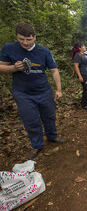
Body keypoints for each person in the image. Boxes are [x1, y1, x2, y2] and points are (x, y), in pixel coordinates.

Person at [0, 22, 64, 158]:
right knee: (31, 120)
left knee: (50, 116)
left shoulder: (44, 51)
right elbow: (1, 67)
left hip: (43, 91)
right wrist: (13, 68)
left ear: (34, 37)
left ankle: (52, 137)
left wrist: (58, 90)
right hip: (22, 93)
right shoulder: (9, 48)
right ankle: (37, 145)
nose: (25, 43)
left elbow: (54, 70)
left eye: (28, 39)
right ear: (17, 37)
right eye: (21, 39)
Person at [72, 43, 87, 109]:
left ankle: (86, 101)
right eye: (83, 46)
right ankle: (84, 104)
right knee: (86, 89)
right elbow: (76, 66)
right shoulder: (78, 55)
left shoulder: (86, 53)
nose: (85, 47)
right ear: (80, 48)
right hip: (83, 74)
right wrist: (80, 76)